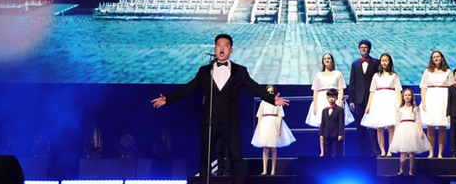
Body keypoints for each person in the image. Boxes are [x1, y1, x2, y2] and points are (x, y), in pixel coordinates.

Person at [151, 34, 289, 184]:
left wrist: (271, 99)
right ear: (215, 49)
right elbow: (189, 88)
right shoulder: (205, 71)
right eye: (219, 45)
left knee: (236, 158)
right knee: (205, 158)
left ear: (231, 50)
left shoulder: (240, 71)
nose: (222, 48)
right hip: (209, 122)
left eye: (225, 45)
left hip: (231, 122)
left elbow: (254, 87)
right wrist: (168, 98)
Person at [306, 53, 354, 155]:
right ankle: (323, 151)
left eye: (329, 58)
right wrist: (315, 105)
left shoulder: (338, 73)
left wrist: (340, 103)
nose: (327, 60)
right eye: (325, 59)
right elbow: (315, 90)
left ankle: (337, 151)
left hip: (335, 99)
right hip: (322, 100)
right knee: (323, 127)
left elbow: (341, 89)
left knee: (337, 125)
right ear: (323, 61)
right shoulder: (318, 75)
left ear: (332, 60)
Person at [361, 53, 403, 157]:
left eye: (386, 60)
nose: (384, 62)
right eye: (383, 60)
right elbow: (372, 91)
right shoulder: (376, 75)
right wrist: (368, 105)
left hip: (391, 101)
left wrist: (399, 105)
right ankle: (383, 150)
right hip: (378, 101)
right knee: (380, 127)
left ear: (390, 62)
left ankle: (390, 150)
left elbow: (398, 91)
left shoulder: (394, 75)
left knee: (391, 127)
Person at [251, 84, 296, 175]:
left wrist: (279, 129)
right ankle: (264, 170)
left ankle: (273, 170)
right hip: (265, 124)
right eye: (269, 92)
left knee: (274, 148)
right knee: (265, 148)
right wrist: (259, 128)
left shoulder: (278, 102)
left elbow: (280, 116)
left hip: (274, 124)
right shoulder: (263, 102)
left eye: (272, 91)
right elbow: (260, 116)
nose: (270, 93)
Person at [419, 50, 454, 158]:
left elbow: (452, 89)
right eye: (434, 57)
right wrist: (424, 101)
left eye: (438, 56)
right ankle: (431, 152)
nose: (436, 58)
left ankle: (440, 153)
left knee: (442, 126)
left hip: (443, 99)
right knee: (430, 126)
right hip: (430, 98)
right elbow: (423, 87)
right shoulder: (427, 71)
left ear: (442, 58)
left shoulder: (448, 71)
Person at [389, 88, 430, 175]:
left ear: (412, 97)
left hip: (412, 130)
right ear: (403, 97)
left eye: (409, 95)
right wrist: (395, 135)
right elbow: (397, 123)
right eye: (405, 95)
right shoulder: (400, 109)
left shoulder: (415, 108)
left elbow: (418, 120)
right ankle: (401, 170)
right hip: (402, 130)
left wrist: (421, 131)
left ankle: (411, 171)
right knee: (403, 151)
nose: (407, 97)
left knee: (411, 152)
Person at [349, 39, 379, 156]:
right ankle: (362, 152)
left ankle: (374, 151)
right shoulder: (355, 64)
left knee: (372, 127)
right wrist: (352, 100)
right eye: (361, 47)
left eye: (365, 47)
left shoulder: (375, 62)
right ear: (359, 49)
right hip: (358, 99)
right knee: (360, 127)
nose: (363, 49)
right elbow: (352, 82)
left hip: (372, 99)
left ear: (369, 49)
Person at [319, 88, 346, 157]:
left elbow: (341, 123)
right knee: (326, 153)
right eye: (329, 97)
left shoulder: (340, 110)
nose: (331, 99)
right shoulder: (324, 110)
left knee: (335, 153)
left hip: (335, 135)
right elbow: (323, 123)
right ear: (327, 98)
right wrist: (321, 134)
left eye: (333, 97)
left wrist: (340, 134)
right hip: (326, 135)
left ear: (336, 98)